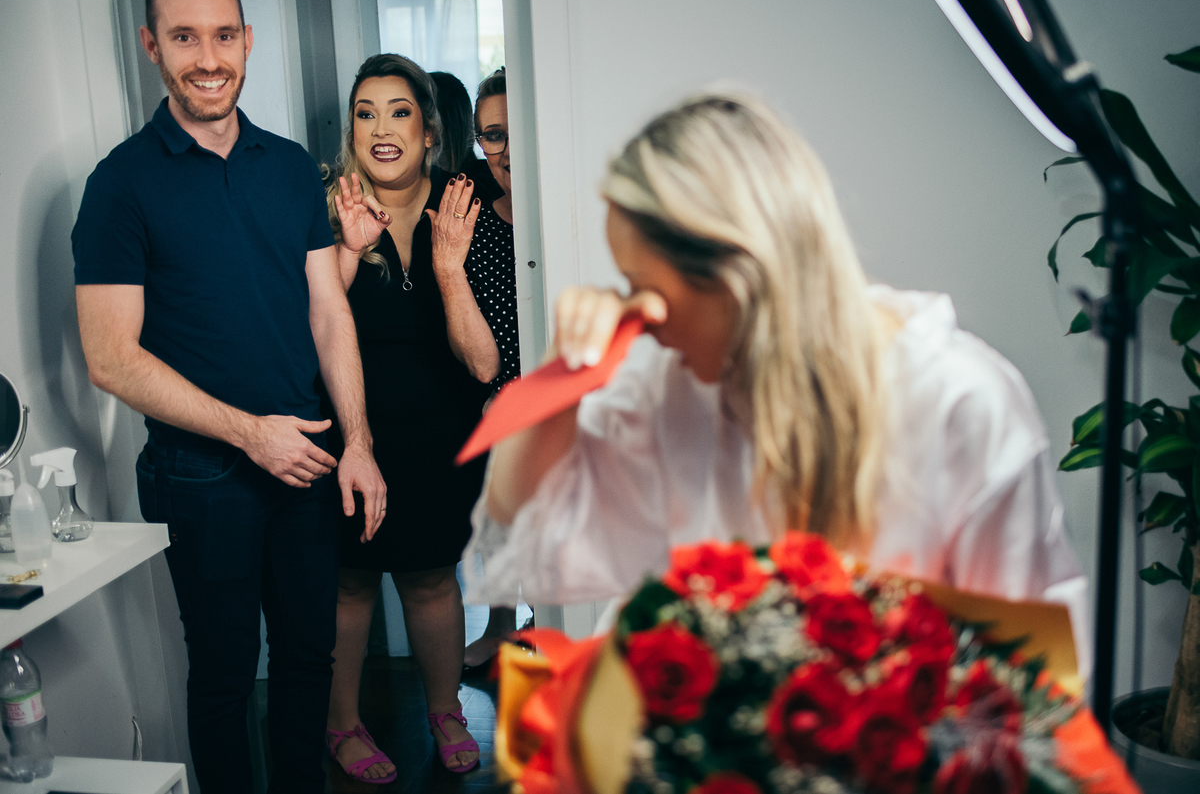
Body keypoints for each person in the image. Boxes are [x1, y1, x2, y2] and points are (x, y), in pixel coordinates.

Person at [466, 92, 1091, 674]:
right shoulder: (671, 382)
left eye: (644, 287)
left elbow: (1030, 671)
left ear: (738, 270)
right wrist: (559, 375)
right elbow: (520, 518)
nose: (640, 318)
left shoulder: (960, 401)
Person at [71, 0, 385, 792]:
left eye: (221, 36)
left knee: (309, 658)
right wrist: (250, 433)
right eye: (184, 37)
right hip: (200, 474)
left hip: (310, 456)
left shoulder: (286, 166)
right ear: (152, 45)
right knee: (223, 675)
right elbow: (110, 358)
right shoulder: (120, 185)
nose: (207, 58)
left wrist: (358, 442)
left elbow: (328, 309)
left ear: (247, 41)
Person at [321, 53, 496, 780]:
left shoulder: (464, 206)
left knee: (431, 577)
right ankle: (342, 724)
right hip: (352, 428)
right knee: (351, 581)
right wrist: (345, 248)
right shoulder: (326, 204)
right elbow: (312, 325)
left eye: (400, 111)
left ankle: (445, 707)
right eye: (366, 112)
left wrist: (450, 268)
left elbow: (483, 363)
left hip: (439, 430)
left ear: (428, 130)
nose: (382, 128)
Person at [461, 68, 525, 673]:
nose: (504, 149)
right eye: (492, 135)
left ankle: (551, 623)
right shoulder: (477, 221)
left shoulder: (572, 215)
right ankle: (504, 626)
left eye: (514, 129)